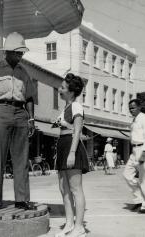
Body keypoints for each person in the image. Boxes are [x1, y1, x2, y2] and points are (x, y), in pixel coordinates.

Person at [0, 32, 36, 212]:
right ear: (9, 52)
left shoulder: (24, 72)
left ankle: (21, 199)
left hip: (21, 114)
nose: (21, 55)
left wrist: (31, 119)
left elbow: (29, 98)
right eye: (18, 52)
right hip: (0, 112)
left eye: (22, 52)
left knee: (21, 159)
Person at [53, 73, 89, 237]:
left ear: (71, 91)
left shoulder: (76, 106)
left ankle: (79, 226)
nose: (59, 90)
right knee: (63, 188)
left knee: (75, 189)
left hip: (71, 145)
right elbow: (65, 128)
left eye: (62, 87)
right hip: (62, 145)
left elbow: (77, 130)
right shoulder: (66, 108)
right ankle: (69, 223)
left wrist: (72, 153)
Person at [123, 99, 145, 214]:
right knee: (127, 174)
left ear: (139, 107)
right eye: (130, 108)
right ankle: (139, 199)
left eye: (133, 107)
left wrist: (144, 155)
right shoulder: (134, 121)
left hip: (144, 149)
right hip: (135, 150)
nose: (131, 110)